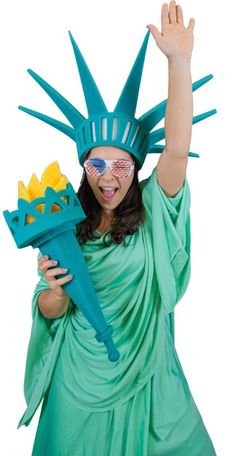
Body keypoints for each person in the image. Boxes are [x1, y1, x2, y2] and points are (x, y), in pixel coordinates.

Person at [19, 1, 217, 454]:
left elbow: (178, 152)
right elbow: (47, 309)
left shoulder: (153, 208)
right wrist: (56, 294)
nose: (108, 177)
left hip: (148, 376)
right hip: (77, 386)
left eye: (121, 165)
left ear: (136, 167)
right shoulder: (63, 223)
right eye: (97, 164)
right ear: (84, 166)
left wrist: (179, 64)